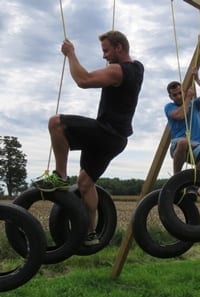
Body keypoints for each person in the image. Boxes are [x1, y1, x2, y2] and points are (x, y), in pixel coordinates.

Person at [33, 31, 144, 246]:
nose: (104, 56)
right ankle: (90, 233)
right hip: (117, 139)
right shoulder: (138, 68)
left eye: (106, 50)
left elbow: (83, 80)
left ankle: (60, 175)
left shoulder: (119, 71)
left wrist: (71, 53)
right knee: (85, 183)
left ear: (119, 47)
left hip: (107, 132)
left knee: (56, 123)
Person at [164, 68, 200, 176]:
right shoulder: (169, 107)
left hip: (196, 145)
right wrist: (188, 97)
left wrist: (197, 80)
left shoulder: (194, 104)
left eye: (179, 93)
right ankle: (177, 176)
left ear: (183, 91)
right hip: (178, 145)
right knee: (183, 142)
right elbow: (181, 115)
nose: (178, 96)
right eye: (174, 95)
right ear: (170, 97)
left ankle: (191, 181)